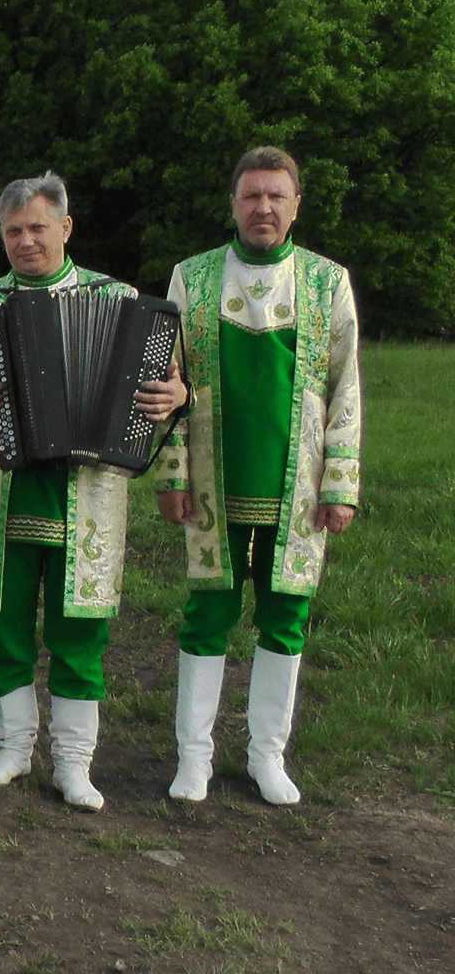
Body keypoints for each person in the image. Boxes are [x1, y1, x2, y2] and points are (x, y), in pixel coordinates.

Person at [0, 173, 186, 810]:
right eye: (13, 231)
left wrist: (180, 397)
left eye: (38, 228)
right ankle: (12, 747)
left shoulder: (121, 301)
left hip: (88, 499)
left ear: (66, 227)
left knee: (80, 629)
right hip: (3, 499)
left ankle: (73, 764)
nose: (25, 241)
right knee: (2, 625)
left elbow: (176, 386)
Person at [154, 146, 360, 806]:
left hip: (294, 486)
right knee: (206, 613)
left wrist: (339, 484)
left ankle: (266, 755)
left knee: (286, 616)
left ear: (296, 203)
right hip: (214, 478)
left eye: (276, 195)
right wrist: (173, 472)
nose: (263, 206)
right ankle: (195, 757)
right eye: (251, 195)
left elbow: (346, 385)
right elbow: (166, 382)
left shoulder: (329, 282)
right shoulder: (193, 276)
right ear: (233, 203)